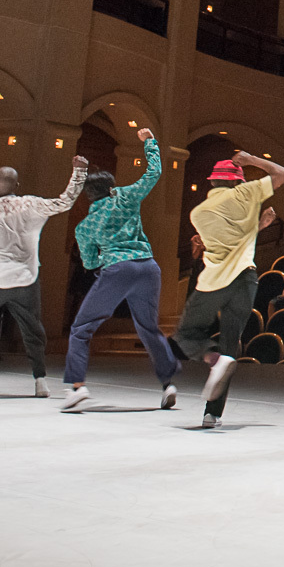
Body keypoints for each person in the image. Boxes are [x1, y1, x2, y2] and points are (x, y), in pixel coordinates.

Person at [0, 155, 89, 398]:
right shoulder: (30, 205)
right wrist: (79, 171)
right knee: (32, 329)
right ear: (17, 187)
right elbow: (65, 202)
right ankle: (40, 381)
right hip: (27, 279)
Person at [61, 128, 178, 412]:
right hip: (148, 268)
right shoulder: (125, 196)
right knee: (149, 328)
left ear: (89, 197)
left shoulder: (85, 226)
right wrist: (150, 140)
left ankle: (77, 387)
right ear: (111, 187)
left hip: (116, 269)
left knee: (81, 329)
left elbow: (89, 263)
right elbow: (154, 173)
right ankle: (168, 385)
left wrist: (104, 254)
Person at [171, 150, 284, 428]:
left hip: (214, 282)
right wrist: (252, 161)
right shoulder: (247, 193)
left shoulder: (198, 214)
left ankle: (211, 358)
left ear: (212, 184)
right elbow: (283, 174)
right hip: (246, 281)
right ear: (237, 181)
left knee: (186, 333)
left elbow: (227, 239)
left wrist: (259, 225)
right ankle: (212, 414)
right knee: (230, 346)